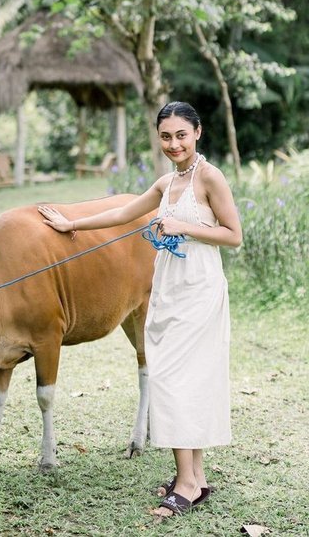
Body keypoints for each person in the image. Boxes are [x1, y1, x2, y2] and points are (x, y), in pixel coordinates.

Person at [38, 101, 242, 520]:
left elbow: (233, 235)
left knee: (175, 381)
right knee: (174, 378)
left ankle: (185, 483)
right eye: (166, 136)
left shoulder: (210, 178)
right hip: (169, 286)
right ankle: (196, 478)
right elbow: (122, 213)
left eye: (181, 135)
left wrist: (184, 226)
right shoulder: (167, 183)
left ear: (198, 133)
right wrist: (72, 225)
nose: (174, 144)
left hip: (198, 289)